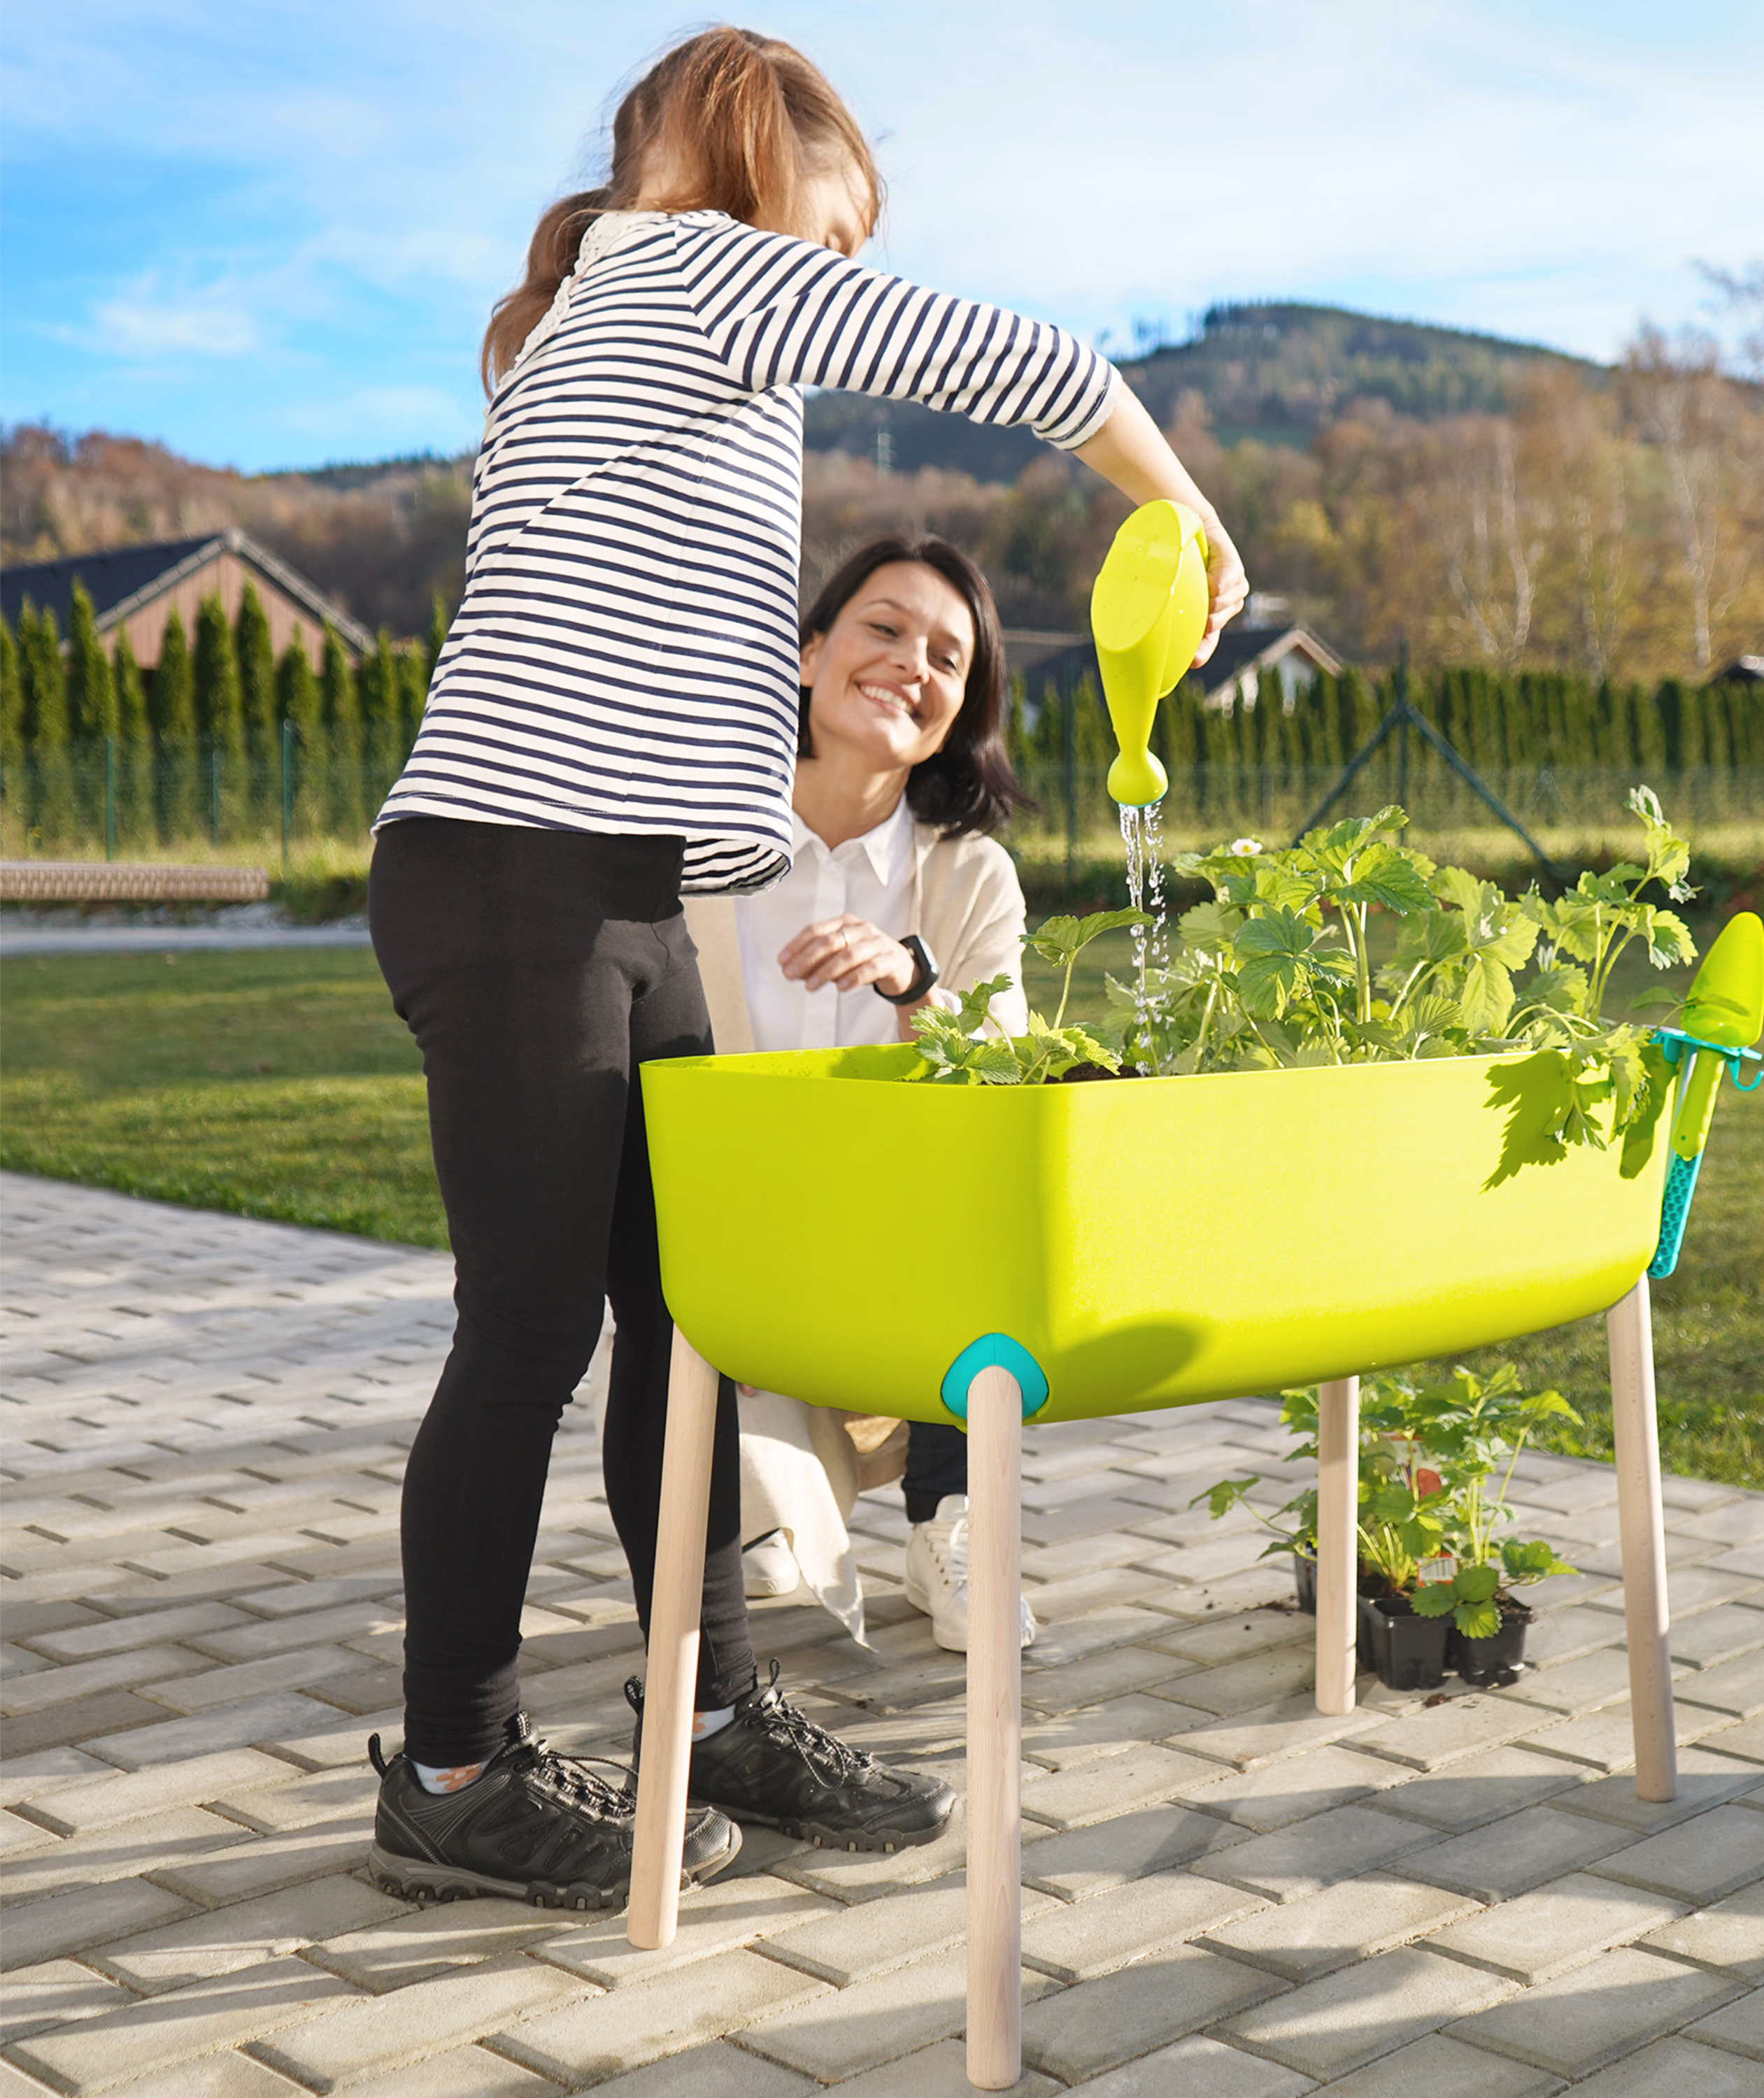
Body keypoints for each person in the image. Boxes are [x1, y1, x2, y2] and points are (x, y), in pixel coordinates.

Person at [362, 24, 1246, 1911]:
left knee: (694, 1314)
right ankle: (451, 1768)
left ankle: (712, 1711)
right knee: (531, 1328)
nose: (835, 276)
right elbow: (1033, 364)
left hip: (604, 883)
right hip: (516, 875)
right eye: (834, 233)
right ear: (742, 156)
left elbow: (656, 650)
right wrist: (1182, 506)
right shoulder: (687, 266)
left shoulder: (604, 321)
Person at [687, 534, 1039, 1654]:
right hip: (732, 1252)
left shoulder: (971, 876)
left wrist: (913, 983)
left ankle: (951, 1521)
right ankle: (770, 1502)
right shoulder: (695, 850)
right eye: (884, 629)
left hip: (910, 1255)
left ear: (961, 709)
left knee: (995, 1197)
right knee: (766, 1551)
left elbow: (1005, 1087)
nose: (910, 665)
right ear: (808, 653)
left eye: (947, 658)